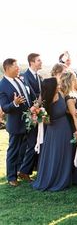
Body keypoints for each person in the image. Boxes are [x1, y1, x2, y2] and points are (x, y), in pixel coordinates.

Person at [32, 77, 73, 191]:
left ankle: (64, 179)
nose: (59, 86)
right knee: (55, 154)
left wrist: (74, 111)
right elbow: (34, 111)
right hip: (53, 130)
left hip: (65, 127)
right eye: (57, 85)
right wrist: (40, 117)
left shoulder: (61, 93)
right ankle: (53, 179)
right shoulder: (45, 98)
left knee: (65, 152)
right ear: (51, 87)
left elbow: (65, 109)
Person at [0, 58, 32, 186]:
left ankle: (22, 172)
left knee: (24, 149)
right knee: (13, 150)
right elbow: (5, 107)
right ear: (7, 68)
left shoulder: (19, 79)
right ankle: (11, 177)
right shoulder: (2, 85)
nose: (18, 68)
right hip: (15, 123)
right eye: (16, 66)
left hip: (27, 121)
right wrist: (14, 103)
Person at [18, 53, 43, 180]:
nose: (41, 62)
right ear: (32, 62)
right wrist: (33, 109)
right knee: (31, 143)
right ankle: (23, 171)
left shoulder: (40, 77)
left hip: (39, 114)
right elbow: (26, 95)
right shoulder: (24, 76)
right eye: (38, 60)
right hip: (29, 115)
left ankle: (27, 169)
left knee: (36, 142)